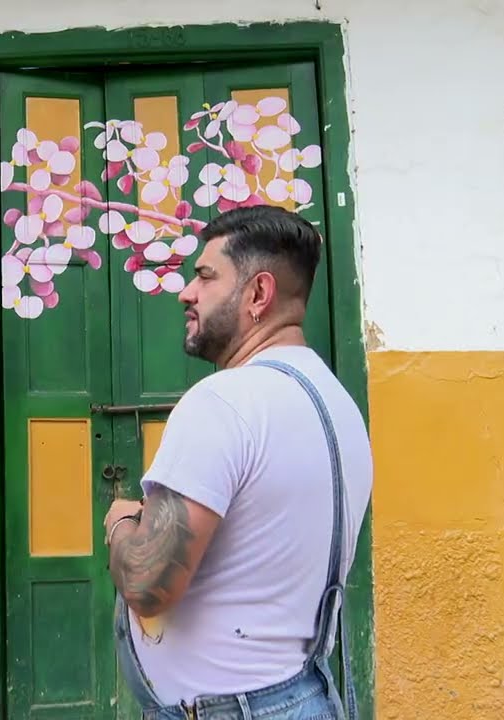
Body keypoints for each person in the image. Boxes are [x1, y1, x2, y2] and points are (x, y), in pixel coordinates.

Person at [103, 205, 373, 720]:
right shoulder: (336, 403)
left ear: (257, 294)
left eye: (205, 276)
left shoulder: (225, 401)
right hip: (303, 696)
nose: (187, 291)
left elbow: (146, 583)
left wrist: (120, 524)